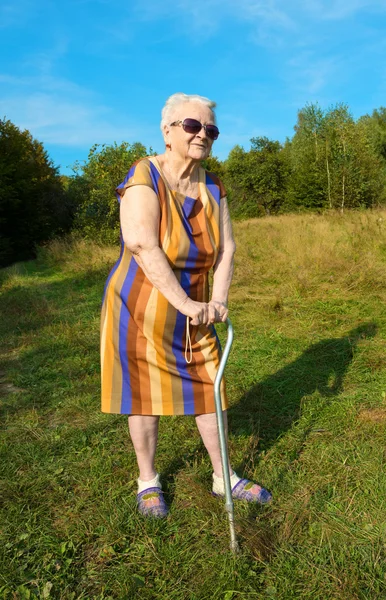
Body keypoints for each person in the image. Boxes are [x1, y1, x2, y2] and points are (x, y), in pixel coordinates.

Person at [100, 93, 271, 517]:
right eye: (193, 126)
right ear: (168, 131)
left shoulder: (213, 186)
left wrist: (216, 300)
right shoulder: (145, 175)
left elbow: (228, 249)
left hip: (196, 310)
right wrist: (184, 303)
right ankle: (148, 481)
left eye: (211, 130)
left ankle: (223, 477)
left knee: (210, 388)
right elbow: (141, 243)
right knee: (142, 396)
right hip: (138, 308)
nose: (203, 135)